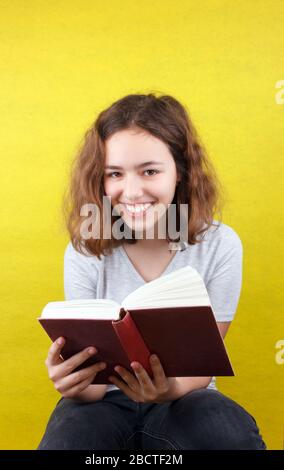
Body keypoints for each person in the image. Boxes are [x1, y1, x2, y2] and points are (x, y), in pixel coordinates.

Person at [37, 93, 266, 450]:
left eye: (150, 171)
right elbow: (94, 387)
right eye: (115, 173)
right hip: (105, 403)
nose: (131, 191)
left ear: (180, 172)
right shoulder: (85, 248)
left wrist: (167, 389)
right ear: (100, 179)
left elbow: (201, 368)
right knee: (70, 439)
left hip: (184, 397)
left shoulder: (220, 245)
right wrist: (73, 382)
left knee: (224, 432)